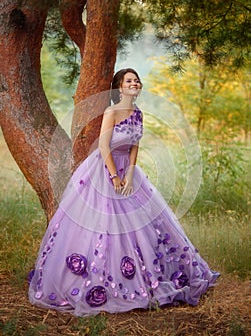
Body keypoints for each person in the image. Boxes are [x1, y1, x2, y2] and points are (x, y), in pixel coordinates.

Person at [28, 68, 219, 316]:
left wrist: (129, 173)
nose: (134, 83)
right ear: (120, 87)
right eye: (129, 80)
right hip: (104, 168)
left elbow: (134, 147)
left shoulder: (138, 113)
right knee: (104, 223)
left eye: (136, 80)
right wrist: (115, 177)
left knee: (144, 225)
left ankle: (149, 276)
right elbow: (104, 145)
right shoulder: (112, 111)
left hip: (127, 171)